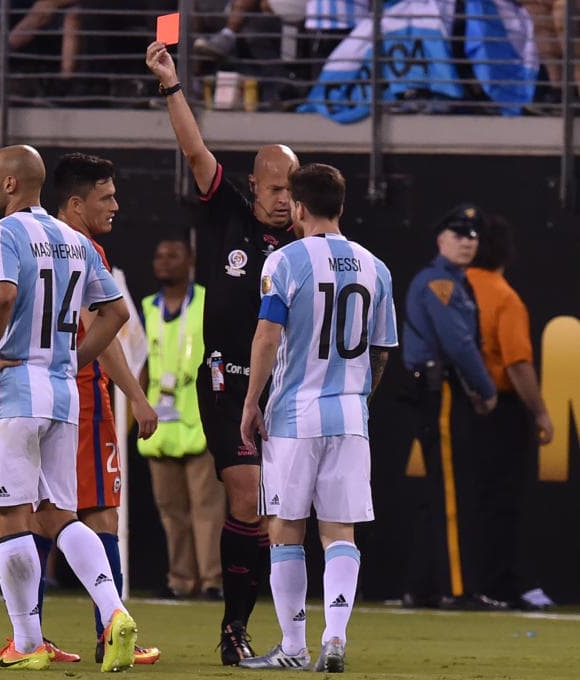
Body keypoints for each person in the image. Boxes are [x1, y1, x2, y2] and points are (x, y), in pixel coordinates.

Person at [146, 38, 298, 665]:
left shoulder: (312, 237)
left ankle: (275, 623)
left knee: (275, 517)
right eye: (274, 187)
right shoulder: (230, 211)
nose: (283, 198)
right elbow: (194, 149)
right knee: (246, 498)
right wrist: (171, 85)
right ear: (254, 184)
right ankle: (234, 628)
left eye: (292, 187)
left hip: (286, 387)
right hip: (227, 381)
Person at [0, 144, 137, 672]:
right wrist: (69, 360)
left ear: (13, 184)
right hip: (63, 395)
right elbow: (116, 313)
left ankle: (25, 644)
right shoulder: (75, 241)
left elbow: (0, 296)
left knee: (8, 516)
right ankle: (113, 613)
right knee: (57, 514)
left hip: (13, 390)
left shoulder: (1, 233)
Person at [238, 163, 397, 672]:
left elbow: (266, 336)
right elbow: (381, 352)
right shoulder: (377, 268)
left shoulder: (284, 262)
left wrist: (251, 401)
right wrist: (358, 400)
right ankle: (335, 636)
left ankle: (293, 646)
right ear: (343, 208)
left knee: (286, 529)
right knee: (339, 533)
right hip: (350, 417)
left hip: (294, 416)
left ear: (300, 208)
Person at [27, 152, 159, 666]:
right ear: (76, 203)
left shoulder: (29, 239)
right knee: (98, 513)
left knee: (38, 514)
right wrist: (138, 396)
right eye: (106, 197)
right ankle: (109, 630)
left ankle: (31, 639)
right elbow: (106, 329)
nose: (116, 206)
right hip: (79, 398)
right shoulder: (82, 250)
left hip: (35, 395)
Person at [401, 203, 503, 611]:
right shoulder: (439, 283)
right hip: (439, 390)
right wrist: (486, 388)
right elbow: (458, 343)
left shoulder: (454, 281)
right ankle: (457, 589)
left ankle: (422, 585)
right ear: (440, 240)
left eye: (473, 236)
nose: (467, 241)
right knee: (451, 493)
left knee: (441, 492)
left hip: (442, 388)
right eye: (458, 234)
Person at [465, 213, 555, 610]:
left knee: (467, 501)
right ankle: (499, 584)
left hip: (458, 406)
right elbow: (517, 364)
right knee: (502, 503)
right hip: (499, 410)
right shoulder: (503, 296)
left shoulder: (452, 287)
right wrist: (540, 412)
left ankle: (460, 583)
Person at [137, 235, 226, 601]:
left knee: (207, 509)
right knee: (171, 512)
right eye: (159, 254)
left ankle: (211, 581)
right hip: (160, 424)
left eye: (172, 255)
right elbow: (138, 364)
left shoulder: (207, 302)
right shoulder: (146, 308)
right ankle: (180, 580)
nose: (163, 261)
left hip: (199, 421)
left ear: (189, 260)